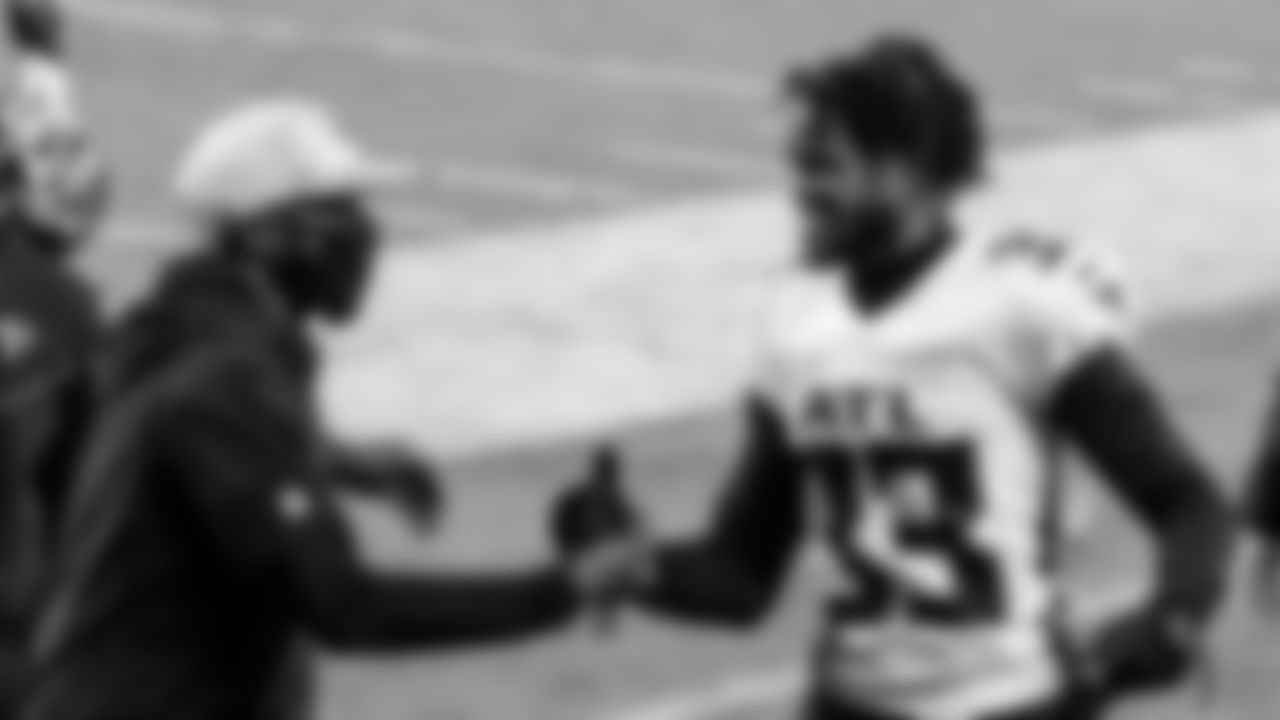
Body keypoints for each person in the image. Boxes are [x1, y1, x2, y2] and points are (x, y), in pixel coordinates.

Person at [557, 34, 1236, 720]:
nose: (803, 193)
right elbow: (741, 575)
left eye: (825, 168)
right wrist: (632, 564)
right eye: (799, 168)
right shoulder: (794, 325)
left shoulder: (1020, 307)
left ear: (904, 169)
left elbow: (1188, 499)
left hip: (1013, 702)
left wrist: (1175, 615)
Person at [20, 99, 645, 720]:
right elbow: (343, 606)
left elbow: (153, 435)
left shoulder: (175, 333)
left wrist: (322, 456)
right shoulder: (230, 379)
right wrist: (560, 589)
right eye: (339, 212)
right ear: (268, 235)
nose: (365, 234)